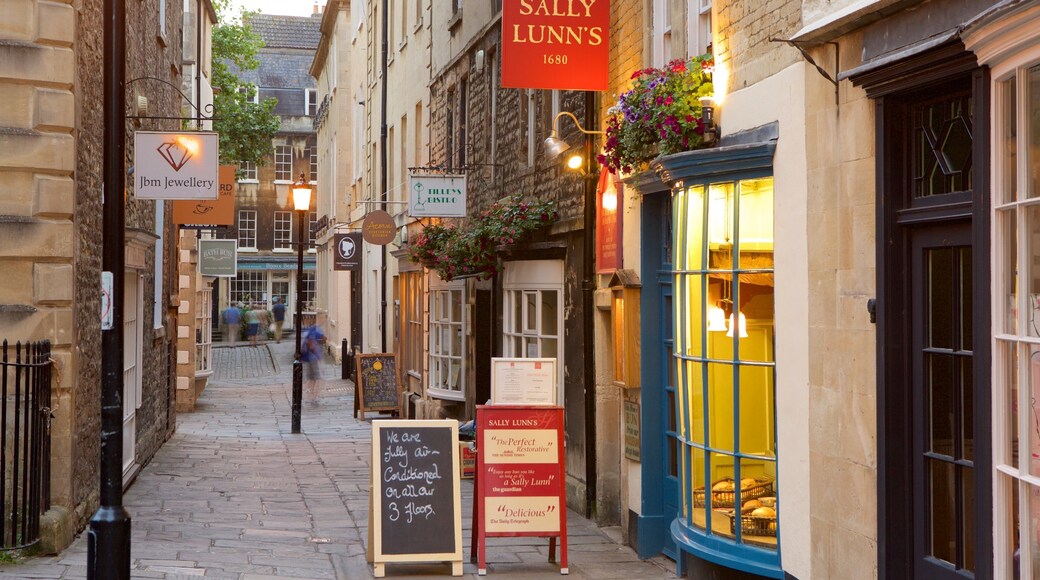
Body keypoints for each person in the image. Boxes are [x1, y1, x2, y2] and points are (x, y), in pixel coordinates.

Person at [301, 323, 326, 404]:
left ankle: (310, 396)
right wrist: (318, 356)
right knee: (316, 378)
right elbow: (312, 345)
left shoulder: (308, 331)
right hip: (313, 358)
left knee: (311, 378)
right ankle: (314, 397)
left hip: (308, 358)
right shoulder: (315, 331)